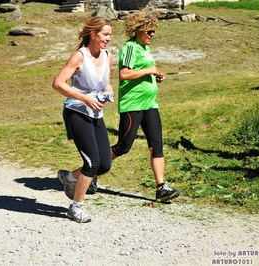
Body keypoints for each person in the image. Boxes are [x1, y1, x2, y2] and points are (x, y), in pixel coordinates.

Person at [110, 11, 180, 202]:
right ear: (138, 30)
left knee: (156, 146)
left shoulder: (145, 48)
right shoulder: (131, 47)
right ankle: (88, 173)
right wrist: (149, 70)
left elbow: (141, 72)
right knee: (123, 147)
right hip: (133, 105)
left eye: (153, 32)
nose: (152, 35)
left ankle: (161, 188)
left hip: (150, 104)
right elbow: (124, 74)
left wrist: (155, 75)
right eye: (149, 31)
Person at [52, 16, 114, 223]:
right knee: (91, 162)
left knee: (104, 164)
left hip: (96, 113)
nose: (108, 39)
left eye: (110, 35)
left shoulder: (107, 56)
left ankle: (69, 178)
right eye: (105, 34)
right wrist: (84, 98)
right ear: (93, 34)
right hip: (76, 111)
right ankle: (75, 208)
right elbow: (58, 83)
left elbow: (106, 84)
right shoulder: (80, 56)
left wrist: (108, 93)